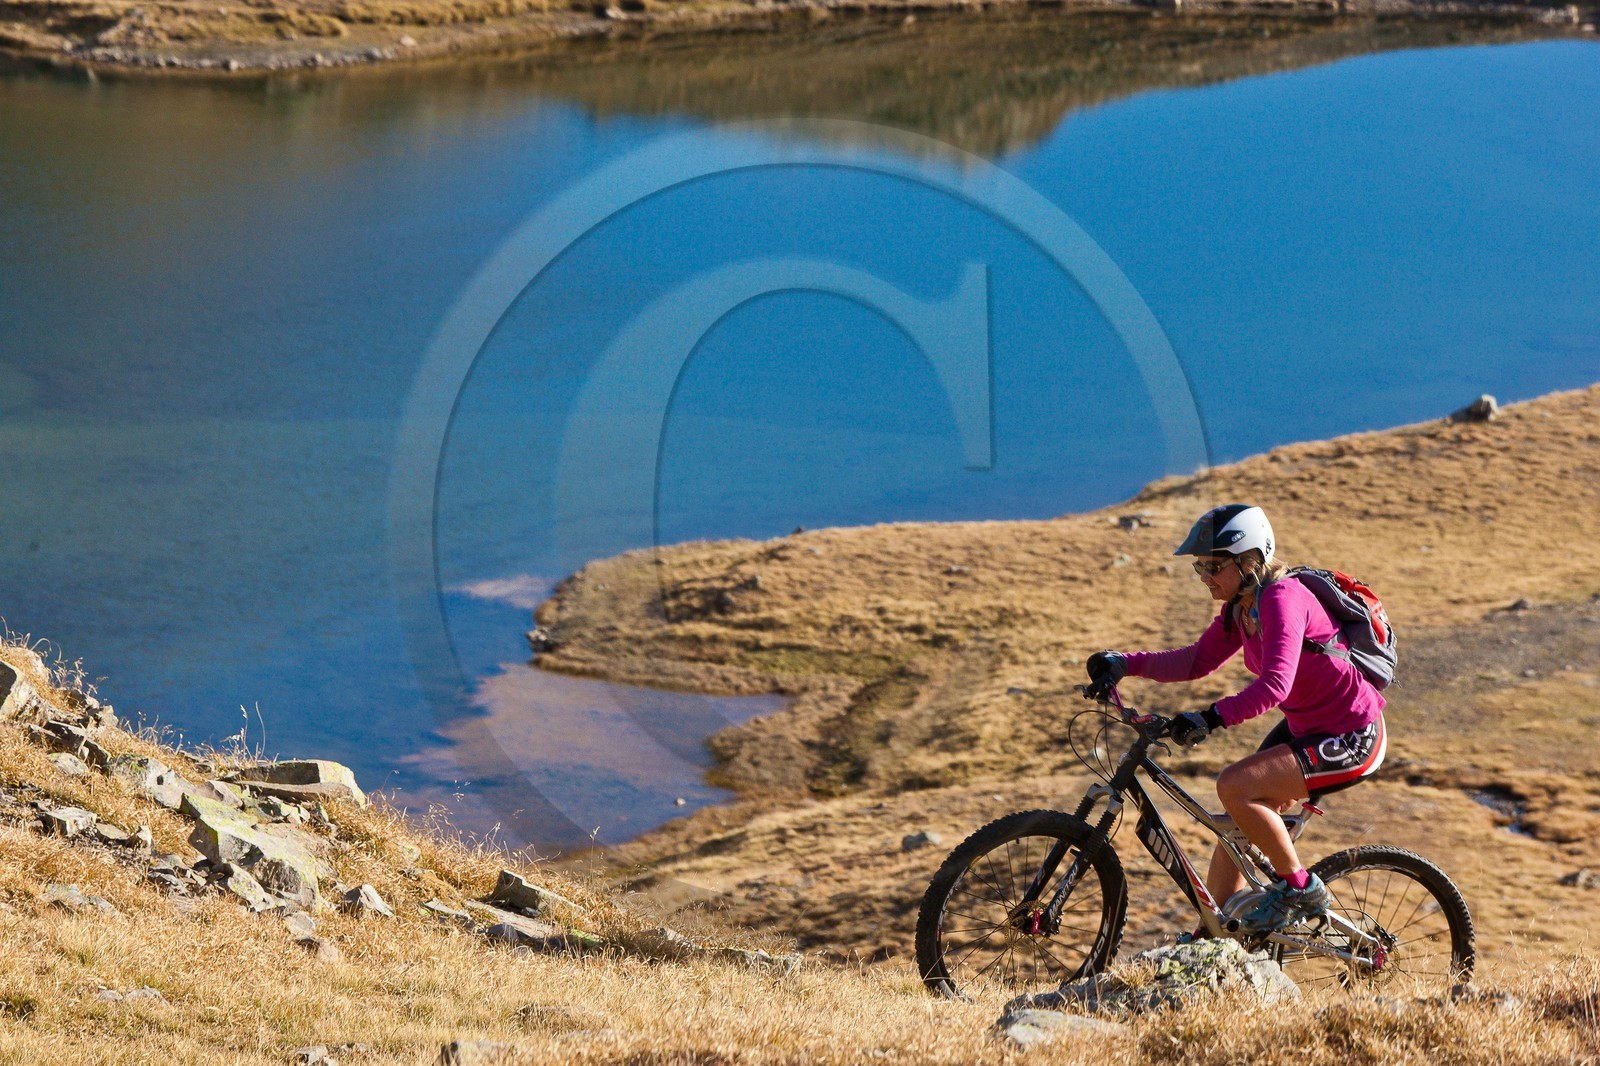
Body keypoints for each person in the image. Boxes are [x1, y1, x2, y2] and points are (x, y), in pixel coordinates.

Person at [1083, 504, 1387, 933]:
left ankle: (1301, 888)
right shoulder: (1242, 607)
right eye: (1200, 566)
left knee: (1234, 786)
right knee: (1235, 827)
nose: (1206, 576)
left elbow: (1275, 685)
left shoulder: (1283, 598)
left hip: (1353, 734)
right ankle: (1217, 932)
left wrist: (1211, 717)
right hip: (1307, 728)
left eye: (1214, 566)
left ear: (1250, 562)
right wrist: (1123, 663)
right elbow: (1195, 660)